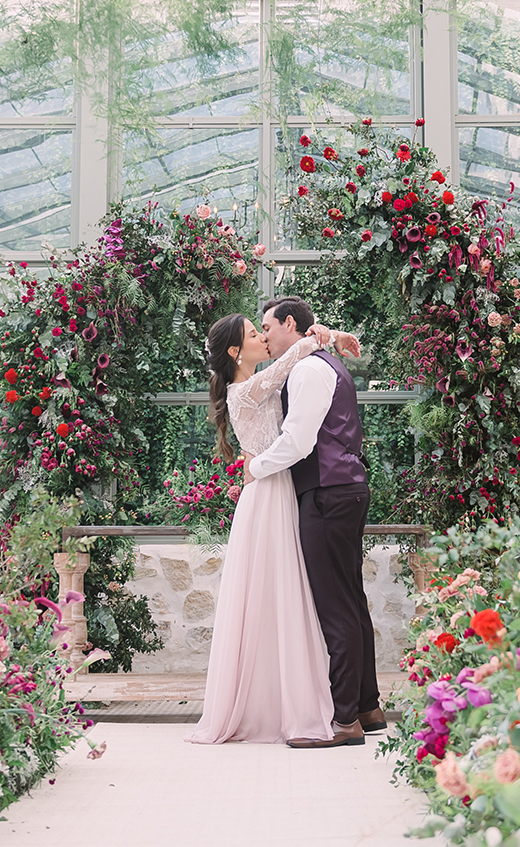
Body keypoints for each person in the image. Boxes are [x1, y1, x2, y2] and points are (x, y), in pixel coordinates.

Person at [187, 312, 359, 744]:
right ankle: (281, 706)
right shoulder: (245, 388)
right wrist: (326, 334)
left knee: (285, 594)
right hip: (268, 493)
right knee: (275, 593)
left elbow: (296, 358)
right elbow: (294, 354)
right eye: (252, 335)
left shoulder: (258, 382)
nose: (263, 338)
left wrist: (325, 334)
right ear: (235, 352)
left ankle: (288, 699)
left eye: (263, 330)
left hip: (276, 487)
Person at [243, 296, 382, 749]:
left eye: (267, 326)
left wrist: (255, 468)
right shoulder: (318, 361)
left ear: (289, 324)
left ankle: (344, 722)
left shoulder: (307, 370)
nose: (264, 335)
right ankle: (366, 705)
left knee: (334, 606)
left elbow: (298, 440)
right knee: (351, 599)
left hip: (327, 493)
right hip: (342, 490)